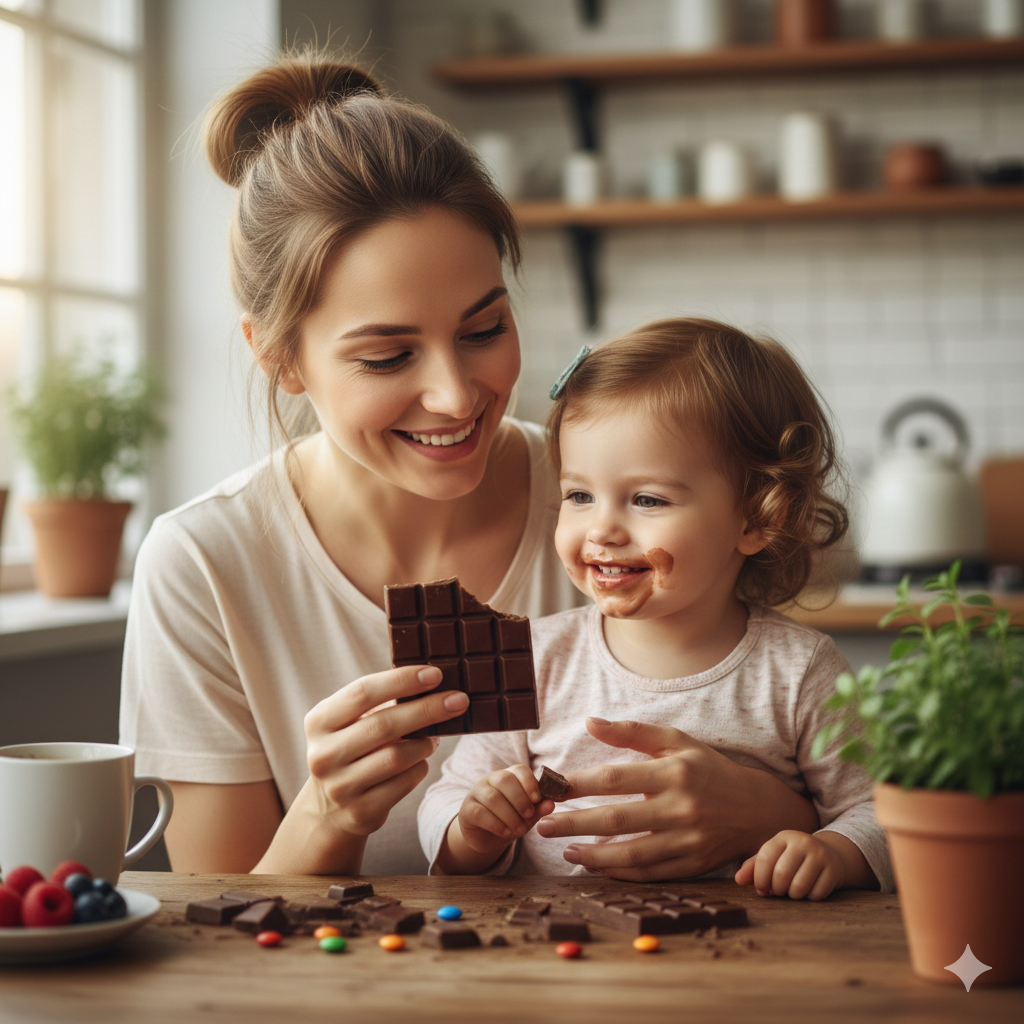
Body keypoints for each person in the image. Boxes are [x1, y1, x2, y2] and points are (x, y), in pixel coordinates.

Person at [119, 52, 818, 878]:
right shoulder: (203, 564)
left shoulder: (615, 511)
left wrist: (769, 812)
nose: (456, 396)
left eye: (484, 330)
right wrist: (329, 812)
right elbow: (220, 940)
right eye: (387, 356)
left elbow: (800, 752)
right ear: (281, 359)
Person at [420, 318, 894, 899]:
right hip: (552, 962)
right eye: (579, 496)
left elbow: (881, 816)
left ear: (758, 518)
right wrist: (473, 830)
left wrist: (833, 852)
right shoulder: (533, 657)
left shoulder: (801, 671)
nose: (601, 528)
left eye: (647, 499)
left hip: (751, 959)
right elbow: (446, 797)